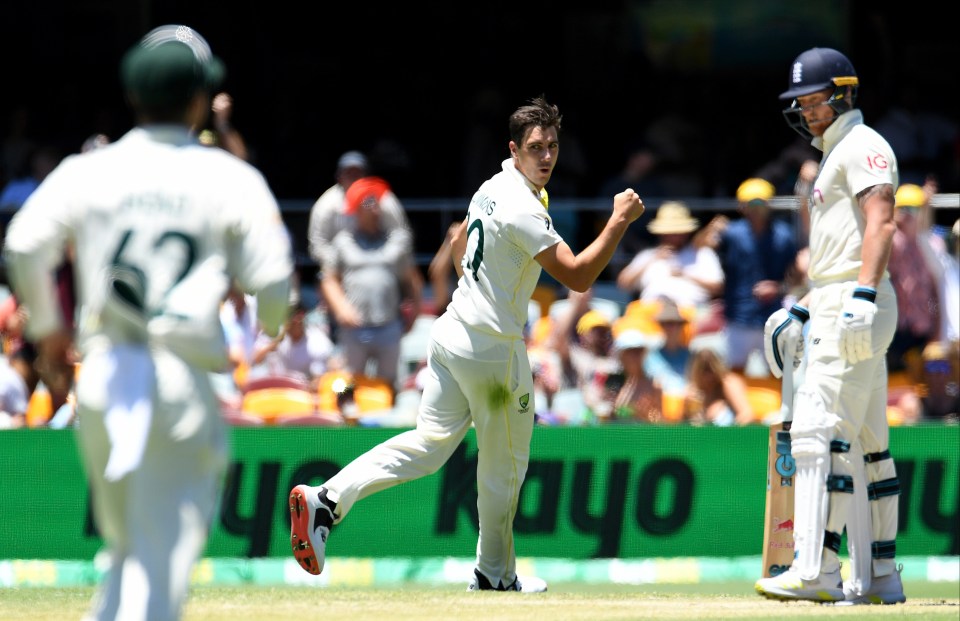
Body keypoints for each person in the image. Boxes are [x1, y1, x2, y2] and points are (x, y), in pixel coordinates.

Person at [287, 95, 645, 592]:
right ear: (514, 150)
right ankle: (495, 576)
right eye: (536, 148)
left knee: (429, 446)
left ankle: (327, 498)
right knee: (504, 469)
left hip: (453, 335)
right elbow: (580, 276)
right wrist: (619, 219)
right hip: (490, 351)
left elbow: (463, 259)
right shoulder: (521, 205)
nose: (546, 157)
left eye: (553, 147)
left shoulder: (492, 187)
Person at [2, 24, 293, 621]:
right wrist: (269, 323)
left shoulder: (91, 169)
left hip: (105, 378)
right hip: (179, 381)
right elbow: (275, 288)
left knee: (134, 554)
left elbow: (25, 242)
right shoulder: (228, 176)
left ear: (134, 98)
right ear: (195, 101)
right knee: (158, 568)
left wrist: (51, 331)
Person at [755, 47, 905, 605]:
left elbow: (881, 220)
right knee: (867, 441)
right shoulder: (837, 150)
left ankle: (816, 569)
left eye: (813, 100)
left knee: (817, 435)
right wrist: (807, 303)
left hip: (854, 298)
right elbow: (837, 248)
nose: (805, 110)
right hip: (840, 296)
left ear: (842, 93)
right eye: (800, 102)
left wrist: (861, 295)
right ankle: (881, 577)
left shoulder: (863, 146)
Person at [320, 175, 422, 391]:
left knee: (388, 387)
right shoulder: (343, 242)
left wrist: (415, 312)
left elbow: (411, 278)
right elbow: (329, 280)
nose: (374, 208)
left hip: (388, 326)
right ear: (356, 209)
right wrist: (341, 307)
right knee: (351, 387)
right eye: (367, 203)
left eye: (376, 202)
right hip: (355, 329)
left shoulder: (396, 242)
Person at [697, 177, 800, 373]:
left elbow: (797, 275)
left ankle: (777, 404)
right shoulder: (732, 233)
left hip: (772, 316)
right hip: (739, 316)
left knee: (778, 372)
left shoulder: (784, 235)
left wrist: (779, 288)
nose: (756, 209)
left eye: (760, 203)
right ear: (741, 207)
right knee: (734, 372)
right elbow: (699, 248)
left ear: (768, 205)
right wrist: (710, 229)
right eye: (750, 204)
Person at [615, 201, 724, 309]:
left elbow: (718, 288)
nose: (672, 236)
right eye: (669, 232)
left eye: (677, 232)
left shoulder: (702, 254)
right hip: (651, 312)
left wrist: (685, 274)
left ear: (686, 233)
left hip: (689, 312)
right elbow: (623, 284)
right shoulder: (648, 255)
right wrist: (652, 259)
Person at [886, 182, 941, 375]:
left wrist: (937, 331)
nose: (908, 214)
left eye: (913, 209)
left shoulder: (931, 243)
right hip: (897, 330)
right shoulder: (891, 239)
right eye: (903, 208)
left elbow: (936, 290)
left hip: (923, 329)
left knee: (930, 375)